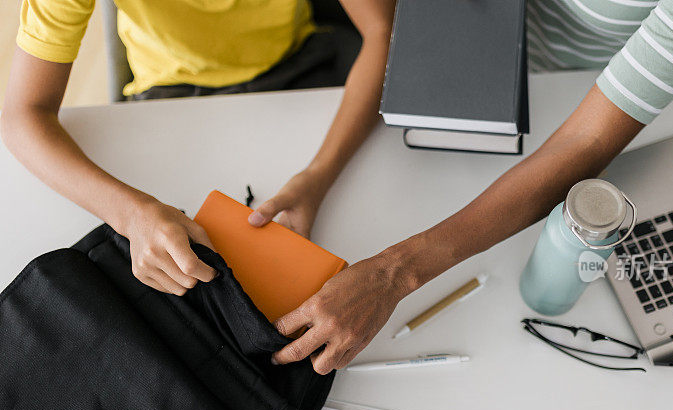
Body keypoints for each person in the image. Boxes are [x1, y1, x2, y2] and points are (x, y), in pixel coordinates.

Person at [259, 0, 673, 374]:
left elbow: (585, 140)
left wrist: (395, 275)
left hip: (606, 92)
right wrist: (317, 173)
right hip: (482, 49)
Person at [1, 0, 395, 295]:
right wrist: (130, 214)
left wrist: (319, 174)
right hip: (169, 96)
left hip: (302, 65)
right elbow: (21, 115)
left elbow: (385, 30)